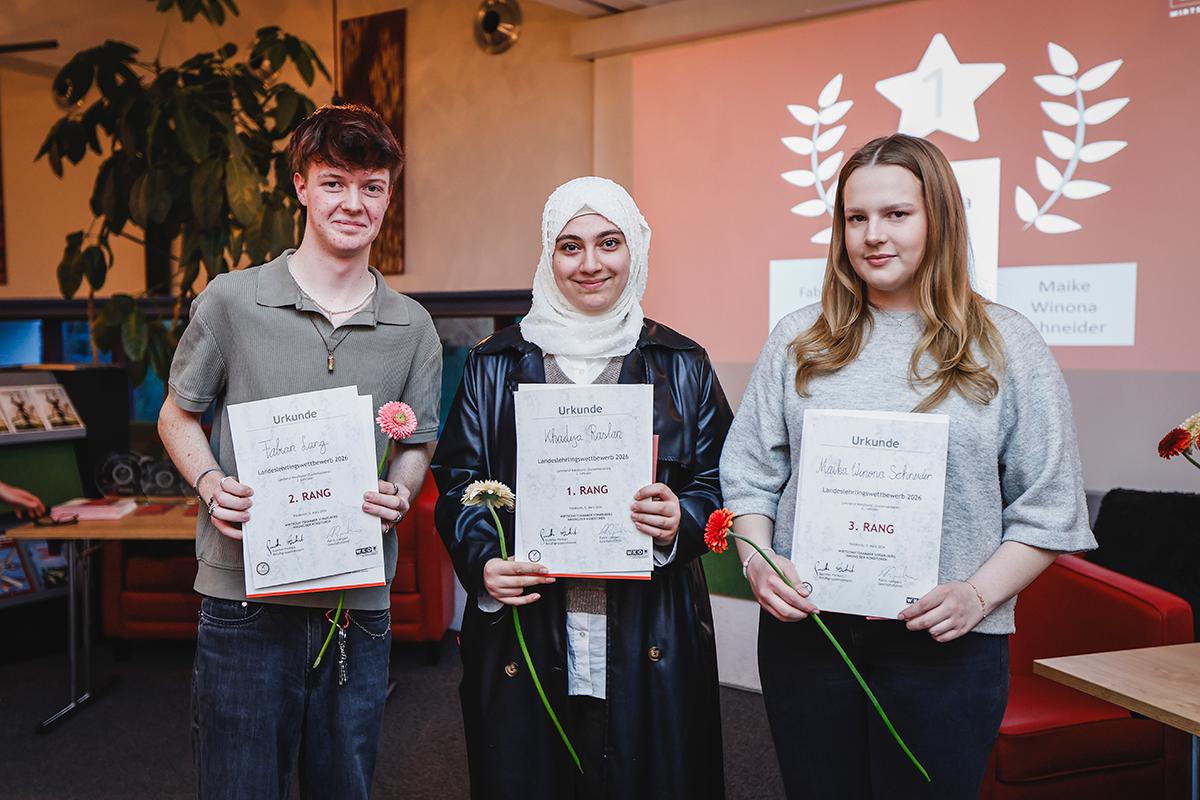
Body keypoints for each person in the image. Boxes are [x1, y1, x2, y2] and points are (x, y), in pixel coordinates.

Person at [719, 134, 1097, 799]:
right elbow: (750, 477)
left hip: (950, 648)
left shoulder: (1007, 344)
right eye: (855, 217)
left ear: (939, 219)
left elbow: (1049, 507)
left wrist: (976, 596)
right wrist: (757, 561)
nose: (872, 235)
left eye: (896, 214)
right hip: (811, 640)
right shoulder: (798, 339)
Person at [158, 104, 442, 800]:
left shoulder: (413, 327)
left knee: (344, 784)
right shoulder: (231, 301)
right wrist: (211, 483)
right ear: (300, 187)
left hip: (357, 600)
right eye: (335, 181)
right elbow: (177, 415)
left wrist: (402, 490)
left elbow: (419, 440)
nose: (354, 202)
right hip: (244, 599)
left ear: (388, 197)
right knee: (238, 786)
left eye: (372, 186)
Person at [432, 176, 731, 799]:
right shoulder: (494, 364)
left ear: (636, 250)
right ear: (549, 256)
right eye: (570, 246)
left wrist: (684, 516)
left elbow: (722, 482)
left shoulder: (684, 363)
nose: (590, 263)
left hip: (653, 633)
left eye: (609, 242)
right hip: (532, 627)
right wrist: (483, 561)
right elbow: (459, 481)